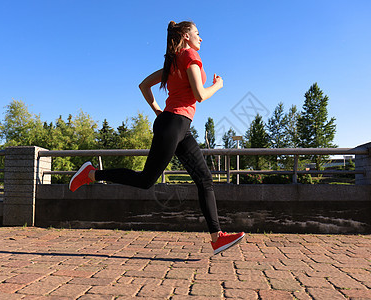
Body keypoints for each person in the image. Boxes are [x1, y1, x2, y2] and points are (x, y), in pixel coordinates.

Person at [69, 20, 244, 255]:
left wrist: (158, 110)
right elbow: (200, 95)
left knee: (204, 179)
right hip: (174, 125)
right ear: (185, 36)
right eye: (197, 33)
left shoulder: (172, 62)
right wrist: (218, 85)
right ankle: (90, 174)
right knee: (146, 180)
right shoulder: (189, 54)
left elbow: (143, 85)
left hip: (180, 126)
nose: (201, 38)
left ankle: (217, 238)